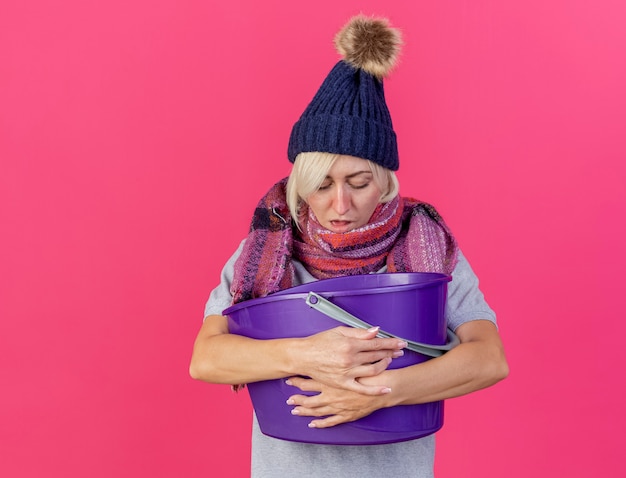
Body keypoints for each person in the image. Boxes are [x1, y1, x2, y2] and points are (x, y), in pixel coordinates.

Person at [190, 14, 508, 477]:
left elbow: (488, 358)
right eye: (322, 185)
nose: (340, 204)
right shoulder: (264, 251)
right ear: (299, 185)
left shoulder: (427, 246)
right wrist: (307, 353)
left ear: (384, 182)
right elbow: (207, 358)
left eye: (359, 183)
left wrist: (381, 391)